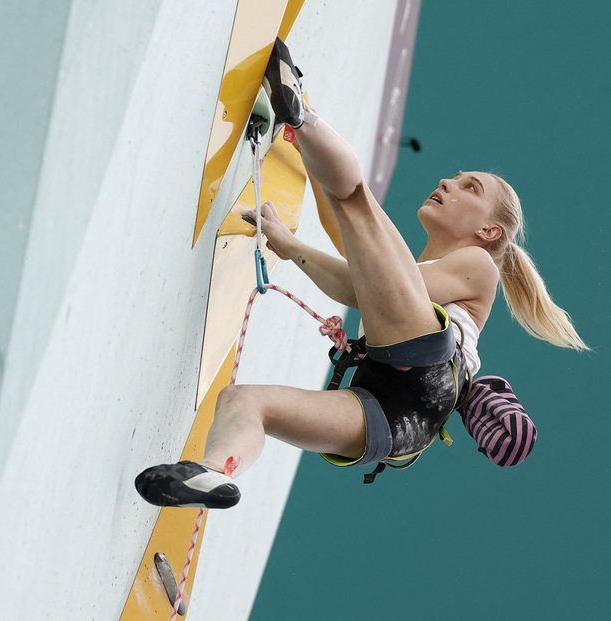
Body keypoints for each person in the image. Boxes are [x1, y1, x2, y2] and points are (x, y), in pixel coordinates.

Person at [135, 38, 587, 508]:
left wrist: (300, 128)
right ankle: (214, 471)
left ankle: (301, 112)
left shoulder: (478, 267)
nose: (446, 183)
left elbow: (356, 266)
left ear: (489, 230)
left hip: (422, 377)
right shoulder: (413, 277)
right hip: (397, 424)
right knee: (245, 403)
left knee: (359, 203)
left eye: (469, 187)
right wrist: (292, 229)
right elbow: (350, 253)